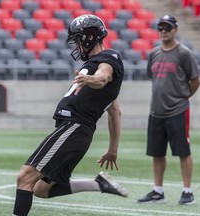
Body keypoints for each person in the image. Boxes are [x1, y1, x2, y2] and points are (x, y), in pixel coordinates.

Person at [12, 14, 127, 216]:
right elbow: (115, 111)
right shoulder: (95, 65)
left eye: (77, 39)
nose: (76, 45)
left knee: (25, 176)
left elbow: (103, 76)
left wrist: (91, 79)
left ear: (89, 37)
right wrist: (112, 150)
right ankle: (97, 184)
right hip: (75, 131)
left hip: (75, 126)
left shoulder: (108, 58)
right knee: (41, 189)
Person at [137, 15, 200, 205]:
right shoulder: (153, 53)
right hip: (156, 111)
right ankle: (158, 191)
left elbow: (196, 80)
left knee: (183, 151)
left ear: (175, 29)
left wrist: (182, 97)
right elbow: (153, 78)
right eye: (161, 27)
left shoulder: (184, 53)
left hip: (178, 111)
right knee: (157, 153)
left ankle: (187, 192)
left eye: (168, 27)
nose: (163, 31)